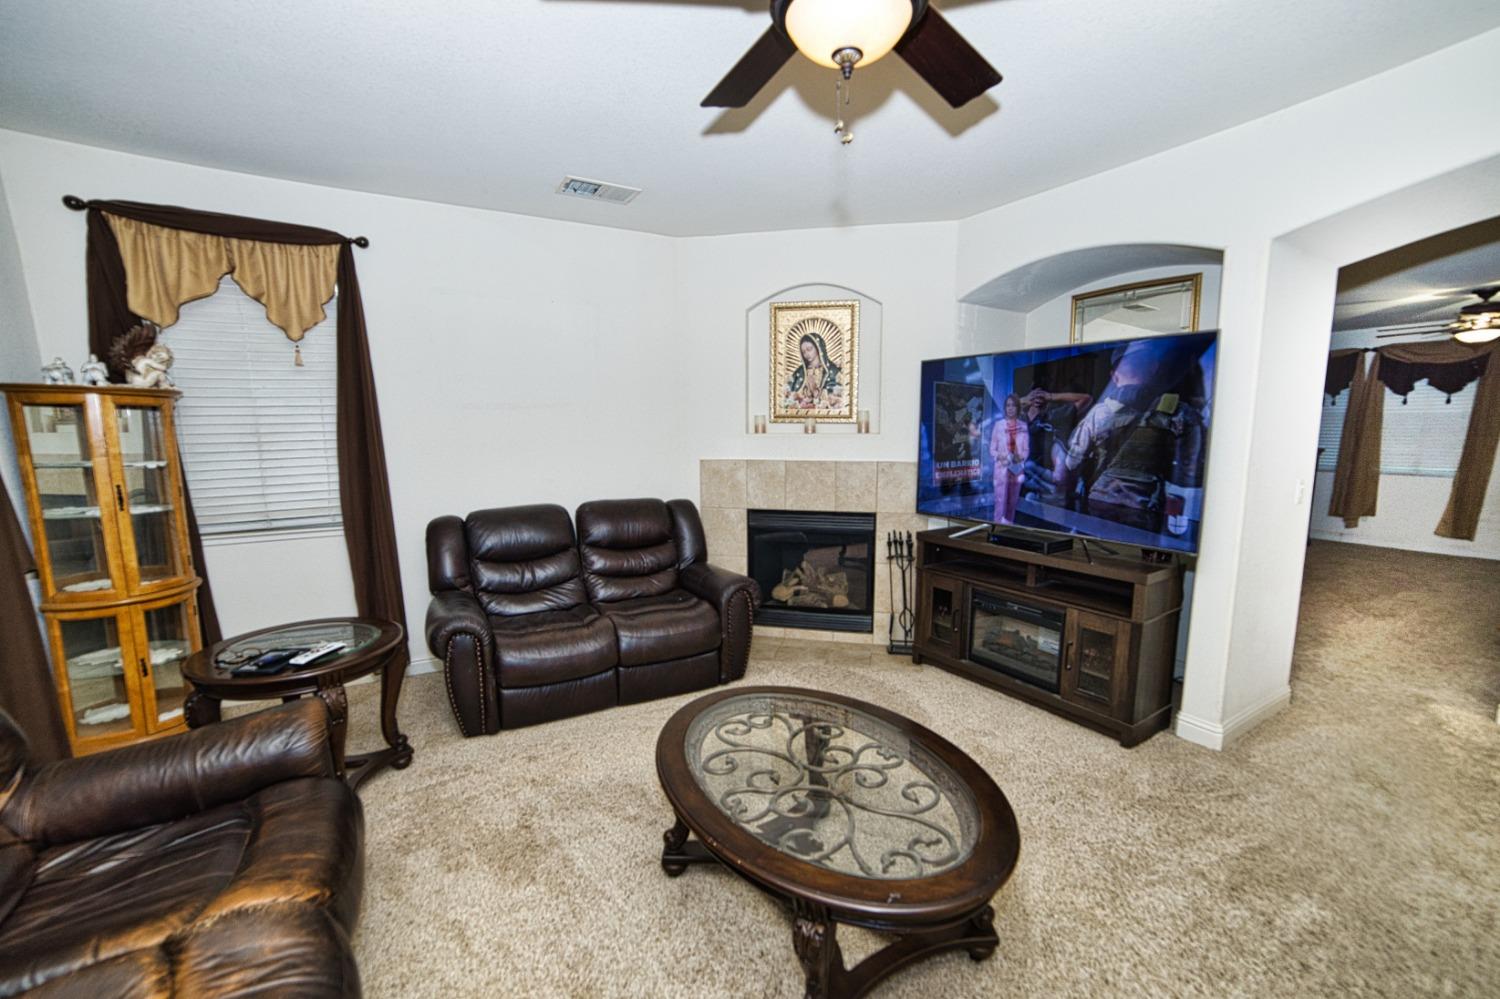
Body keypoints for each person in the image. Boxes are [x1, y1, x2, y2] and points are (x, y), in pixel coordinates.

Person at [989, 394, 1029, 524]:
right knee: (1000, 501)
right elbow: (992, 449)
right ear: (1005, 408)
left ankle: (1008, 528)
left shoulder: (1023, 426)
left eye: (1013, 405)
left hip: (1016, 469)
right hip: (1002, 468)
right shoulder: (998, 425)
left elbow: (1026, 450)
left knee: (1012, 501)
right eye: (1008, 405)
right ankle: (996, 527)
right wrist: (1000, 456)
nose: (1010, 408)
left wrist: (1019, 457)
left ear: (1018, 408)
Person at [782, 332, 844, 411]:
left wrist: (815, 391)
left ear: (818, 348)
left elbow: (836, 395)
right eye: (804, 352)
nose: (807, 354)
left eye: (809, 349)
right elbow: (790, 393)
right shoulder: (800, 372)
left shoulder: (832, 370)